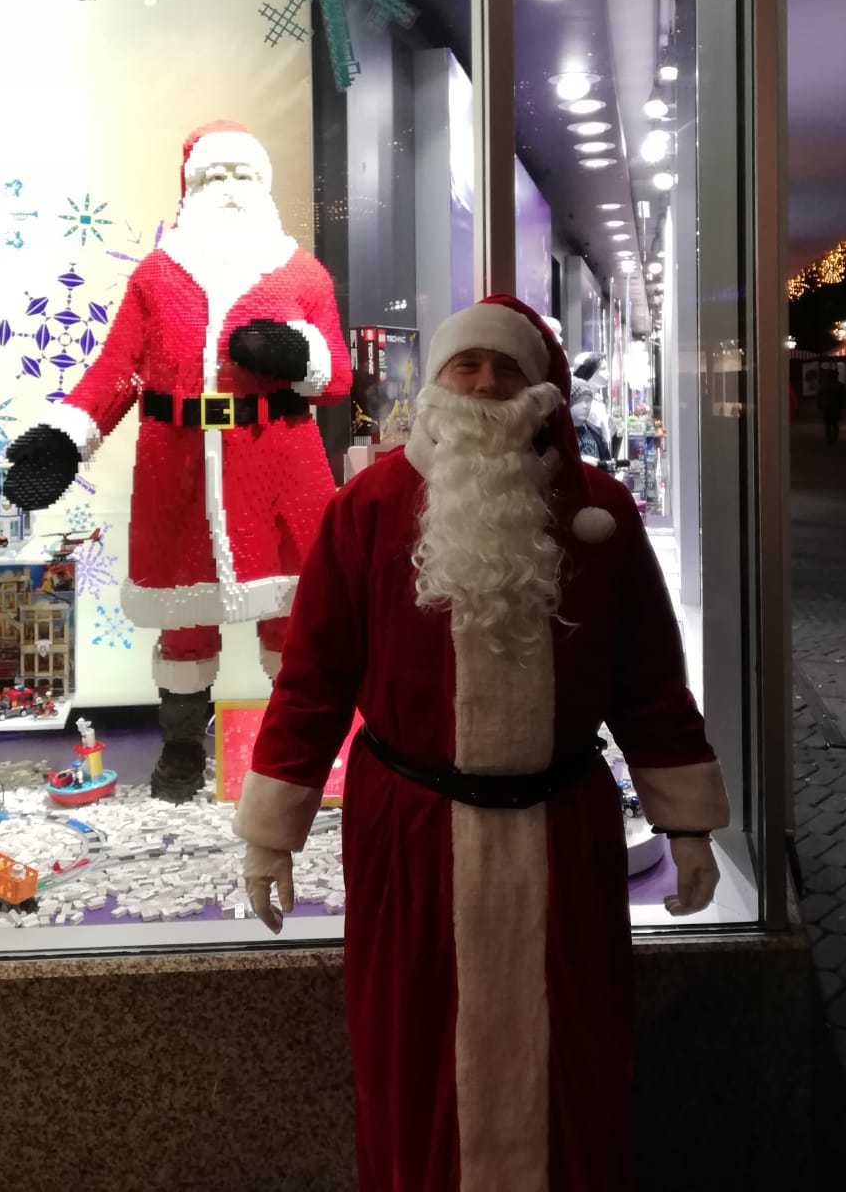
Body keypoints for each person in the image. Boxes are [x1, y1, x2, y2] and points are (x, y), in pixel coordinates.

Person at [234, 295, 728, 1192]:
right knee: (411, 1062)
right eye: (467, 365)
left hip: (563, 841)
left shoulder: (602, 513)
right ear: (437, 382)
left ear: (541, 389)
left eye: (507, 368)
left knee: (577, 1059)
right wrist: (272, 833)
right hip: (412, 843)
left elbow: (650, 680)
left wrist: (686, 823)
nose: (487, 383)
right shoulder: (367, 509)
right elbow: (312, 680)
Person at [4, 121, 351, 801]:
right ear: (190, 189)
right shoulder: (158, 276)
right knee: (184, 622)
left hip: (281, 469)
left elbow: (336, 375)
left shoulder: (303, 273)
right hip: (179, 469)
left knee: (296, 618)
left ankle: (297, 753)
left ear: (263, 186)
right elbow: (118, 371)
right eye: (214, 176)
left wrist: (297, 355)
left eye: (242, 175)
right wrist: (66, 438)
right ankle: (183, 750)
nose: (229, 188)